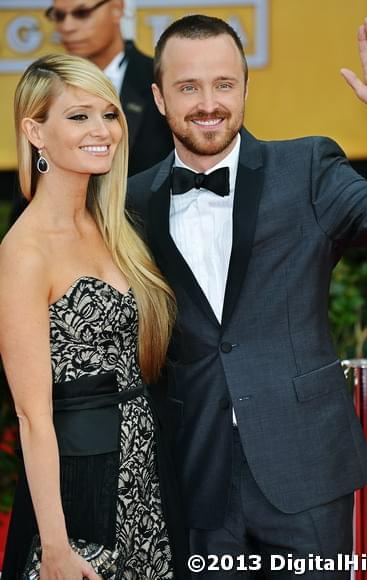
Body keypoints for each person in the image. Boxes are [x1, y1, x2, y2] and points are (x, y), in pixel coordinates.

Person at [127, 14, 367, 579]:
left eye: (223, 84)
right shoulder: (128, 203)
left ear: (245, 87)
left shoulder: (307, 168)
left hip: (307, 469)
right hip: (194, 475)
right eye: (188, 86)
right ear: (159, 96)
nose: (208, 103)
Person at [0, 53, 186, 579]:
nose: (102, 130)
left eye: (109, 114)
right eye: (78, 116)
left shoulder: (113, 226)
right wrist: (55, 547)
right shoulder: (23, 253)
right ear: (35, 131)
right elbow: (33, 418)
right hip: (81, 485)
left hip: (147, 466)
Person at [9, 0, 174, 224]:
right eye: (59, 16)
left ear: (117, 8)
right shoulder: (44, 87)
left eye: (82, 13)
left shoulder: (164, 82)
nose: (67, 27)